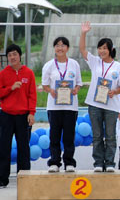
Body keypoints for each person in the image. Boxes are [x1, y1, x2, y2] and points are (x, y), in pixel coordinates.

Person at [79, 21, 120, 172]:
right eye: (100, 48)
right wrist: (84, 33)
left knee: (111, 136)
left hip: (111, 105)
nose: (102, 51)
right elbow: (82, 49)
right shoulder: (95, 62)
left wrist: (114, 92)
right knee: (97, 136)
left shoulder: (118, 66)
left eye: (104, 48)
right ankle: (98, 163)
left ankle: (110, 163)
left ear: (111, 50)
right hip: (95, 104)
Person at [42, 37, 82, 173]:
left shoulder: (74, 64)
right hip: (54, 107)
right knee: (54, 135)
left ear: (68, 48)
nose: (60, 48)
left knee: (69, 136)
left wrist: (76, 89)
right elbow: (45, 84)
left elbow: (79, 83)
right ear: (54, 48)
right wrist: (50, 91)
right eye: (57, 45)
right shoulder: (49, 65)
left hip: (70, 107)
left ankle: (69, 162)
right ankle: (54, 162)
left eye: (63, 45)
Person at [0, 44, 36, 188]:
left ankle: (24, 178)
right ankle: (2, 178)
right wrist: (10, 88)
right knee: (3, 147)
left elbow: (32, 95)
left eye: (14, 54)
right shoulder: (3, 74)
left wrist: (32, 113)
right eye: (9, 55)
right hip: (6, 115)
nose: (12, 57)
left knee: (23, 148)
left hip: (23, 116)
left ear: (20, 55)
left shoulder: (29, 73)